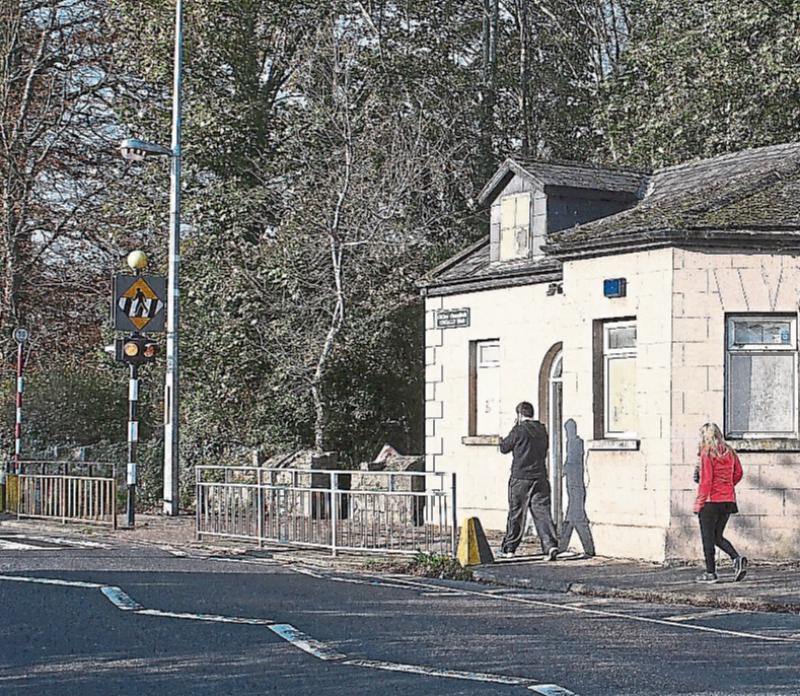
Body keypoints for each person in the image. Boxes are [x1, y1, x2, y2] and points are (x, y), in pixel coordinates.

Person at [498, 401, 559, 559]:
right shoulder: (542, 430)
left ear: (519, 415)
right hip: (540, 476)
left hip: (521, 477)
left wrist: (512, 430)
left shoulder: (518, 430)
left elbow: (504, 447)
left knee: (516, 512)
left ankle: (509, 548)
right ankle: (550, 545)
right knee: (542, 512)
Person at [693, 422, 748, 584]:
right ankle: (736, 559)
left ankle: (710, 573)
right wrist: (727, 486)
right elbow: (739, 473)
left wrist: (699, 503)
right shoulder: (730, 452)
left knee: (708, 538)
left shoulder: (707, 453)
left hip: (710, 501)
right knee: (717, 536)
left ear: (704, 436)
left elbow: (706, 481)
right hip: (727, 501)